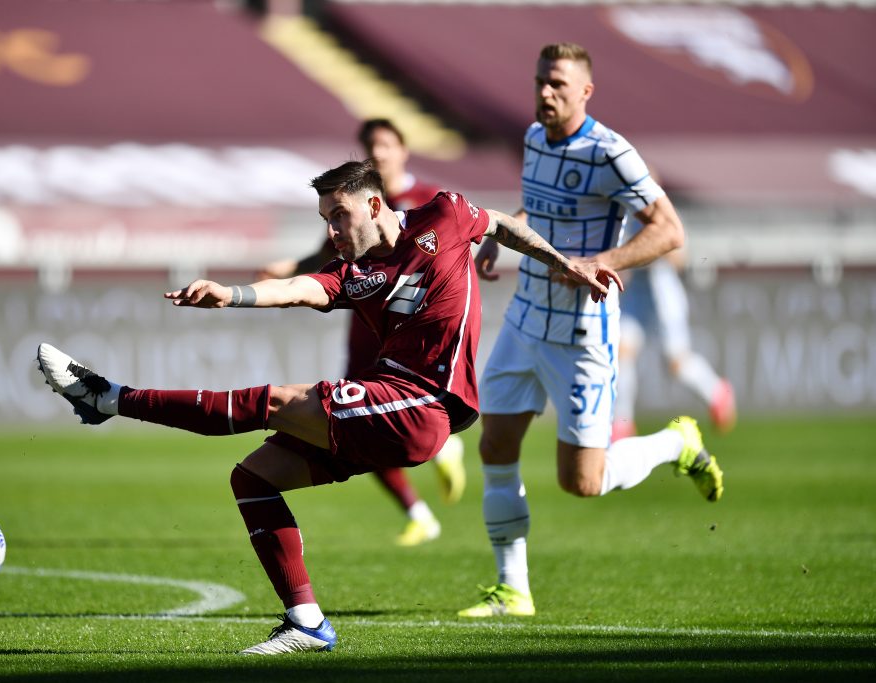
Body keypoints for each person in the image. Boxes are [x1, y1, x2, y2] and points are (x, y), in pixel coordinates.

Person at [37, 159, 618, 654]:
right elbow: (300, 289)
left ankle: (109, 399)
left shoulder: (444, 214)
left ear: (373, 204)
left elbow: (503, 225)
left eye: (339, 215)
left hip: (423, 405)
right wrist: (232, 295)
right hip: (388, 404)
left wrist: (567, 264)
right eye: (325, 219)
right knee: (255, 478)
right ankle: (306, 622)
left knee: (276, 401)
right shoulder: (355, 276)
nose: (333, 230)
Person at [457, 43, 724, 619]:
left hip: (582, 332)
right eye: (539, 82)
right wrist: (498, 239)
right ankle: (513, 590)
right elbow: (537, 210)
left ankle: (676, 442)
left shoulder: (611, 152)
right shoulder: (532, 139)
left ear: (585, 91)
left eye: (557, 83)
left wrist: (605, 261)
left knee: (583, 481)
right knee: (496, 444)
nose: (545, 93)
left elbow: (670, 230)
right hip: (526, 316)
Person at [261, 118, 465, 547]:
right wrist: (289, 270)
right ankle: (418, 511)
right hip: (368, 323)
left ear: (404, 149)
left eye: (386, 144)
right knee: (358, 422)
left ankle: (441, 450)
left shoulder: (429, 201)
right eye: (371, 145)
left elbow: (461, 245)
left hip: (413, 331)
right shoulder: (347, 203)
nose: (380, 152)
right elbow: (327, 253)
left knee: (372, 420)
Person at [612, 244, 737, 440]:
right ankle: (621, 422)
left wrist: (649, 252)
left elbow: (679, 257)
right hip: (636, 290)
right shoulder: (625, 218)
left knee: (677, 364)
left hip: (662, 291)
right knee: (621, 354)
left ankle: (716, 391)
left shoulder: (664, 214)